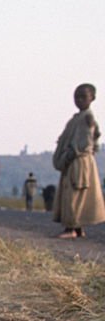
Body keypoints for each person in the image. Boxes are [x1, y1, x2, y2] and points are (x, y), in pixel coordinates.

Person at [52, 83, 105, 238]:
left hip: (78, 161)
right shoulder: (78, 118)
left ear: (92, 98)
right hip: (76, 161)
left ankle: (71, 228)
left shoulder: (87, 118)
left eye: (83, 97)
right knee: (76, 194)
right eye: (77, 97)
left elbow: (86, 142)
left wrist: (69, 155)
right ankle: (78, 228)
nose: (79, 100)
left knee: (74, 194)